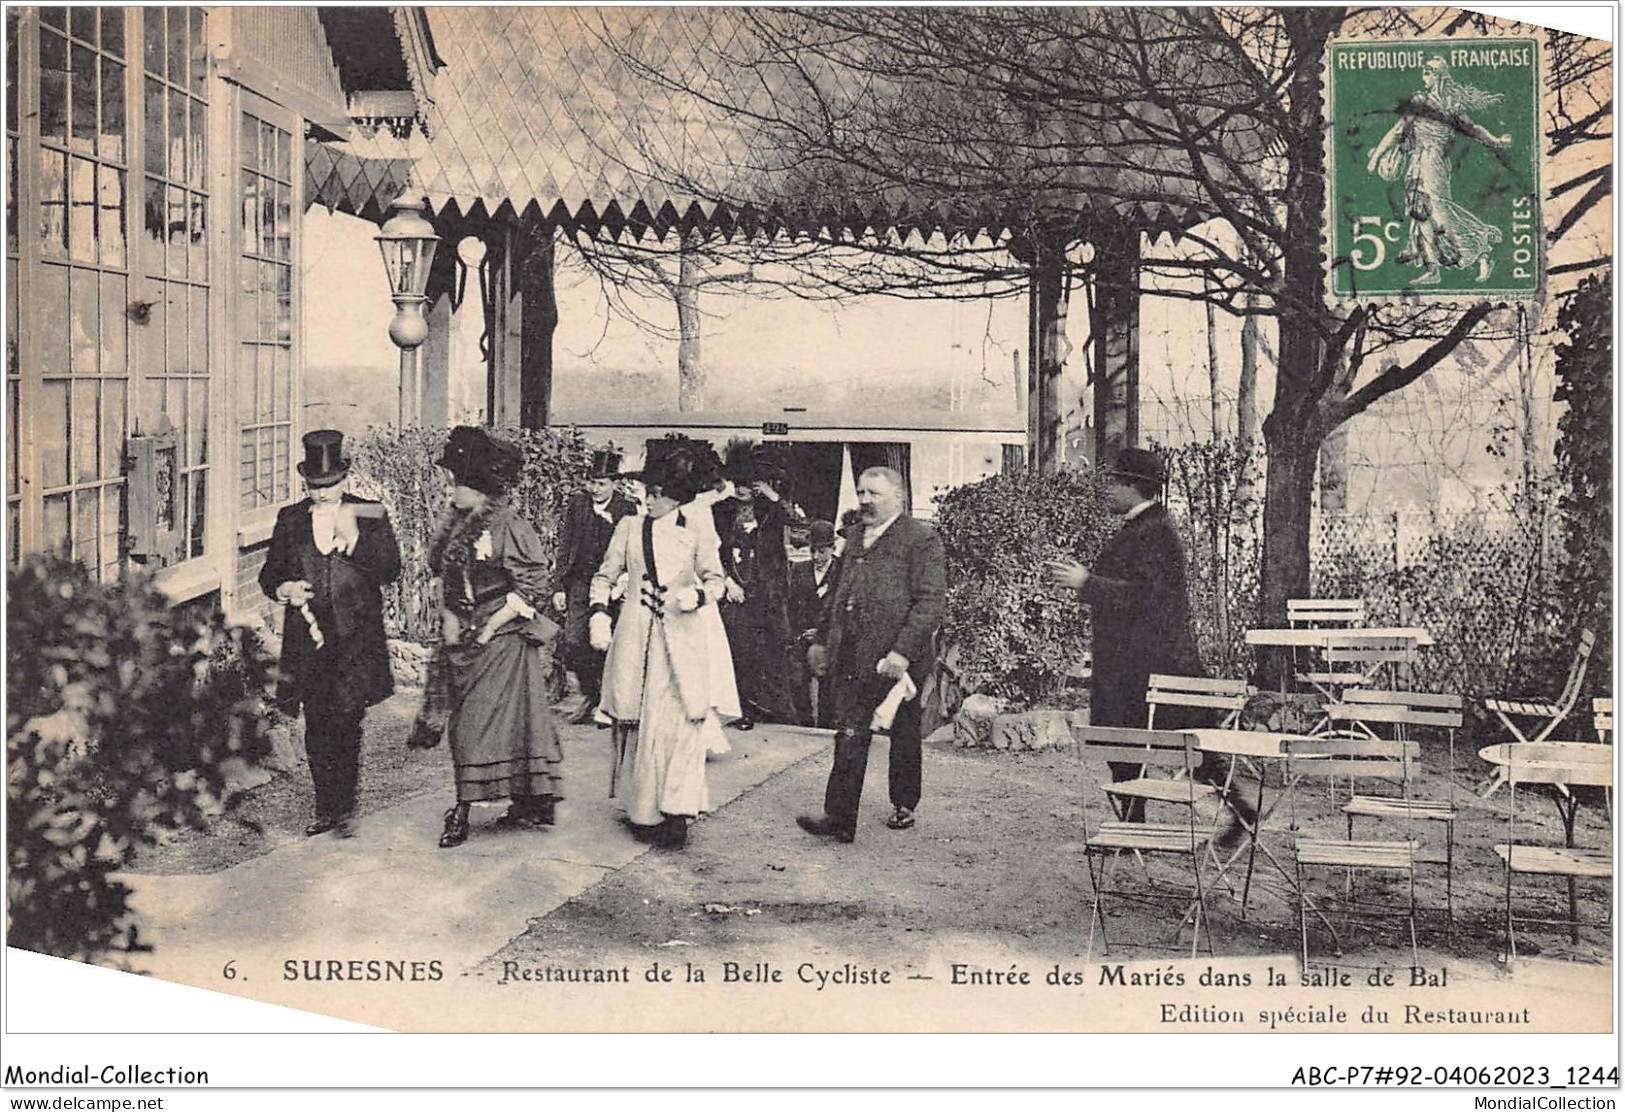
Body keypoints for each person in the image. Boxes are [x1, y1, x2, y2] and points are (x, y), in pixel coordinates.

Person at [1043, 448, 1225, 823]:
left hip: (1154, 665)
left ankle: (1239, 814)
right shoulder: (1141, 528)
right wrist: (1089, 585)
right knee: (1123, 745)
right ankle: (1132, 826)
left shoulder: (1155, 533)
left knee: (1187, 750)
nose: (1107, 488)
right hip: (1132, 664)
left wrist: (1087, 583)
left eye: (1114, 481)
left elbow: (1148, 597)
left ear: (1133, 487)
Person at [591, 442, 741, 850]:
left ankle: (678, 811)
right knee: (640, 720)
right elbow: (604, 575)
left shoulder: (694, 533)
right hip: (637, 638)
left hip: (683, 639)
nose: (650, 500)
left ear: (676, 497)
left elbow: (715, 579)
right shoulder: (628, 528)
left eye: (658, 493)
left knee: (680, 722)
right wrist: (599, 612)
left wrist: (701, 596)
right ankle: (644, 810)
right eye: (648, 492)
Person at [260, 429, 401, 840]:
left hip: (356, 638)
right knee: (317, 721)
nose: (321, 494)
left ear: (345, 479)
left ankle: (343, 807)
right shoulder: (290, 520)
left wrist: (355, 542)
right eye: (314, 486)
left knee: (347, 718)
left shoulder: (369, 513)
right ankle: (327, 809)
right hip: (309, 639)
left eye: (329, 485)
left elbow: (391, 570)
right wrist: (284, 589)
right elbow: (270, 574)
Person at [431, 428, 565, 848]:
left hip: (502, 637)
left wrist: (492, 626)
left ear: (481, 490)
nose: (452, 492)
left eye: (459, 485)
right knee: (482, 723)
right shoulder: (458, 524)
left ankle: (466, 808)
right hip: (468, 636)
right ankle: (530, 799)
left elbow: (534, 585)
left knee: (478, 725)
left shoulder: (509, 525)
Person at [797, 467, 945, 843]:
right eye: (861, 492)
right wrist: (822, 640)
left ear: (897, 497)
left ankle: (904, 803)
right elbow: (837, 593)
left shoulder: (921, 539)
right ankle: (839, 818)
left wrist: (901, 651)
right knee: (848, 731)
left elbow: (930, 603)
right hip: (854, 654)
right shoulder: (855, 537)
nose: (864, 500)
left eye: (873, 494)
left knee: (904, 733)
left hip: (899, 660)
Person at [1366, 55, 1512, 286]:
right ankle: (1432, 269)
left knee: (1440, 212)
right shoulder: (1419, 101)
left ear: (1440, 77)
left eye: (1429, 72)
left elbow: (1473, 129)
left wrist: (1496, 141)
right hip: (1416, 162)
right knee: (1420, 214)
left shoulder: (1451, 105)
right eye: (1424, 72)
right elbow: (1397, 130)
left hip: (1435, 163)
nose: (1424, 76)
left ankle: (1481, 249)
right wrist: (1376, 157)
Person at [552, 447, 637, 723]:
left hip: (611, 586)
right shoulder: (578, 504)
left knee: (605, 642)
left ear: (614, 483)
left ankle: (606, 701)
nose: (595, 489)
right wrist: (558, 587)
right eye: (592, 482)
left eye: (601, 483)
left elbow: (630, 551)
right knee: (574, 641)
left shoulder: (626, 509)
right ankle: (591, 693)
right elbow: (565, 546)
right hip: (579, 582)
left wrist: (624, 581)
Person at [717, 479, 802, 727]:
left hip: (767, 596)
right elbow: (709, 549)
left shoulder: (770, 511)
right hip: (736, 594)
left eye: (748, 483)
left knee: (772, 654)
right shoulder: (722, 511)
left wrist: (773, 495)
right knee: (739, 652)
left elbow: (799, 524)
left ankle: (778, 714)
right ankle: (742, 710)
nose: (742, 489)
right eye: (738, 483)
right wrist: (726, 581)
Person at [788, 520, 840, 727]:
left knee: (829, 688)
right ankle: (805, 725)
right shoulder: (799, 569)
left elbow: (844, 610)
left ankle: (826, 728)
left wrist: (822, 633)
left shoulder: (843, 571)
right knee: (797, 680)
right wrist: (798, 633)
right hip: (803, 637)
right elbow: (791, 605)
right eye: (812, 551)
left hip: (829, 640)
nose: (816, 557)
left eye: (821, 551)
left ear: (832, 548)